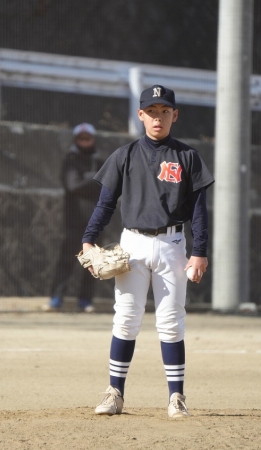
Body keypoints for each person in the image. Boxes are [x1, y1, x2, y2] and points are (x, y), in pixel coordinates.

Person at [81, 85, 214, 418]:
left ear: (174, 115)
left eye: (164, 111)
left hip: (172, 244)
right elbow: (105, 204)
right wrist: (89, 239)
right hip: (133, 244)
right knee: (126, 318)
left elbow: (199, 210)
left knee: (171, 322)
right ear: (140, 115)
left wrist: (200, 251)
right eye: (152, 112)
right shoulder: (124, 155)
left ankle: (176, 397)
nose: (158, 118)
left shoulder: (188, 157)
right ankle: (114, 394)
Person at [44, 123, 104, 313]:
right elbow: (73, 185)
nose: (84, 141)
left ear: (93, 139)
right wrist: (93, 179)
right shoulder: (70, 160)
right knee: (67, 259)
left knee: (93, 262)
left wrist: (86, 179)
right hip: (74, 220)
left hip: (95, 221)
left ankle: (85, 300)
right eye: (81, 138)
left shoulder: (100, 161)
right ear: (76, 139)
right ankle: (56, 298)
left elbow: (107, 186)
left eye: (88, 138)